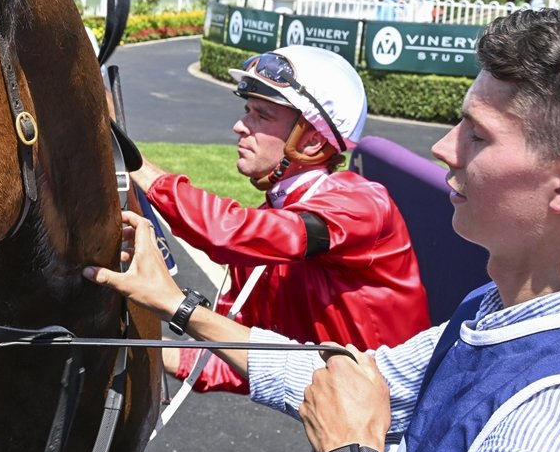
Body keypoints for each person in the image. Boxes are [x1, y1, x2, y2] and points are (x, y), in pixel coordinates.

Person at [88, 7, 560, 452]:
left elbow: (238, 235)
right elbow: (346, 377)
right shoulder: (490, 309)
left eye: (477, 135)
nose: (443, 148)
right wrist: (177, 307)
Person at [131, 44, 430, 394]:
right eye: (247, 110)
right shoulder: (269, 226)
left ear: (312, 141)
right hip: (345, 414)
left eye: (262, 115)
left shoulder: (360, 205)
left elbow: (226, 232)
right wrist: (135, 345)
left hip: (406, 419)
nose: (240, 126)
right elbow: (241, 357)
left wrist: (135, 164)